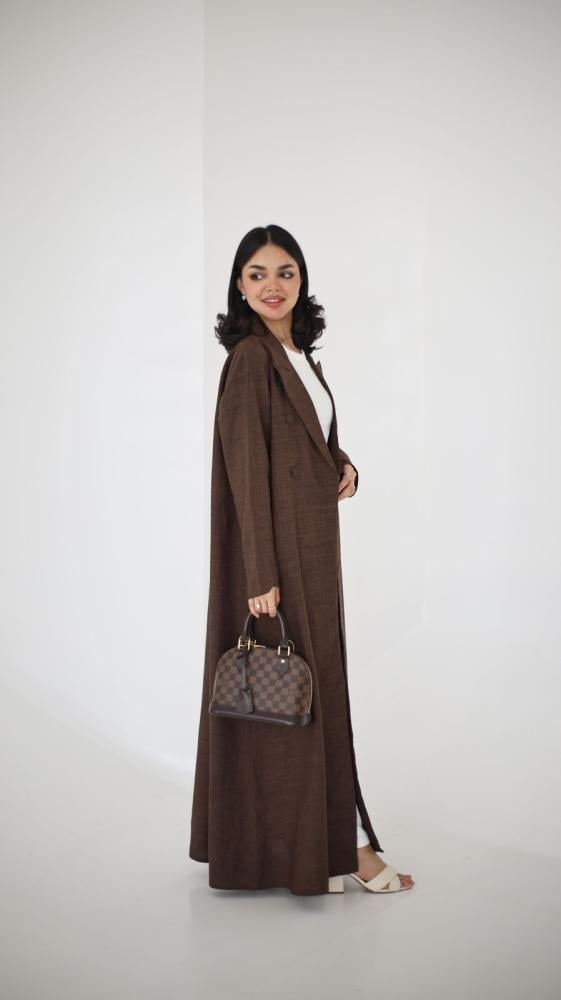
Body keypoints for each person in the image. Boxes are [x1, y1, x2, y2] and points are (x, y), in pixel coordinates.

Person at [189, 224, 414, 895]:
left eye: (284, 272)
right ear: (238, 285)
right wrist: (260, 572)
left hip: (311, 549)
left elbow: (307, 439)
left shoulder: (298, 356)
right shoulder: (250, 359)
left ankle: (321, 851)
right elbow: (245, 469)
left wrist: (343, 463)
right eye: (256, 274)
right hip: (277, 560)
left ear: (301, 280)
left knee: (313, 698)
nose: (272, 285)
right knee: (292, 703)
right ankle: (344, 850)